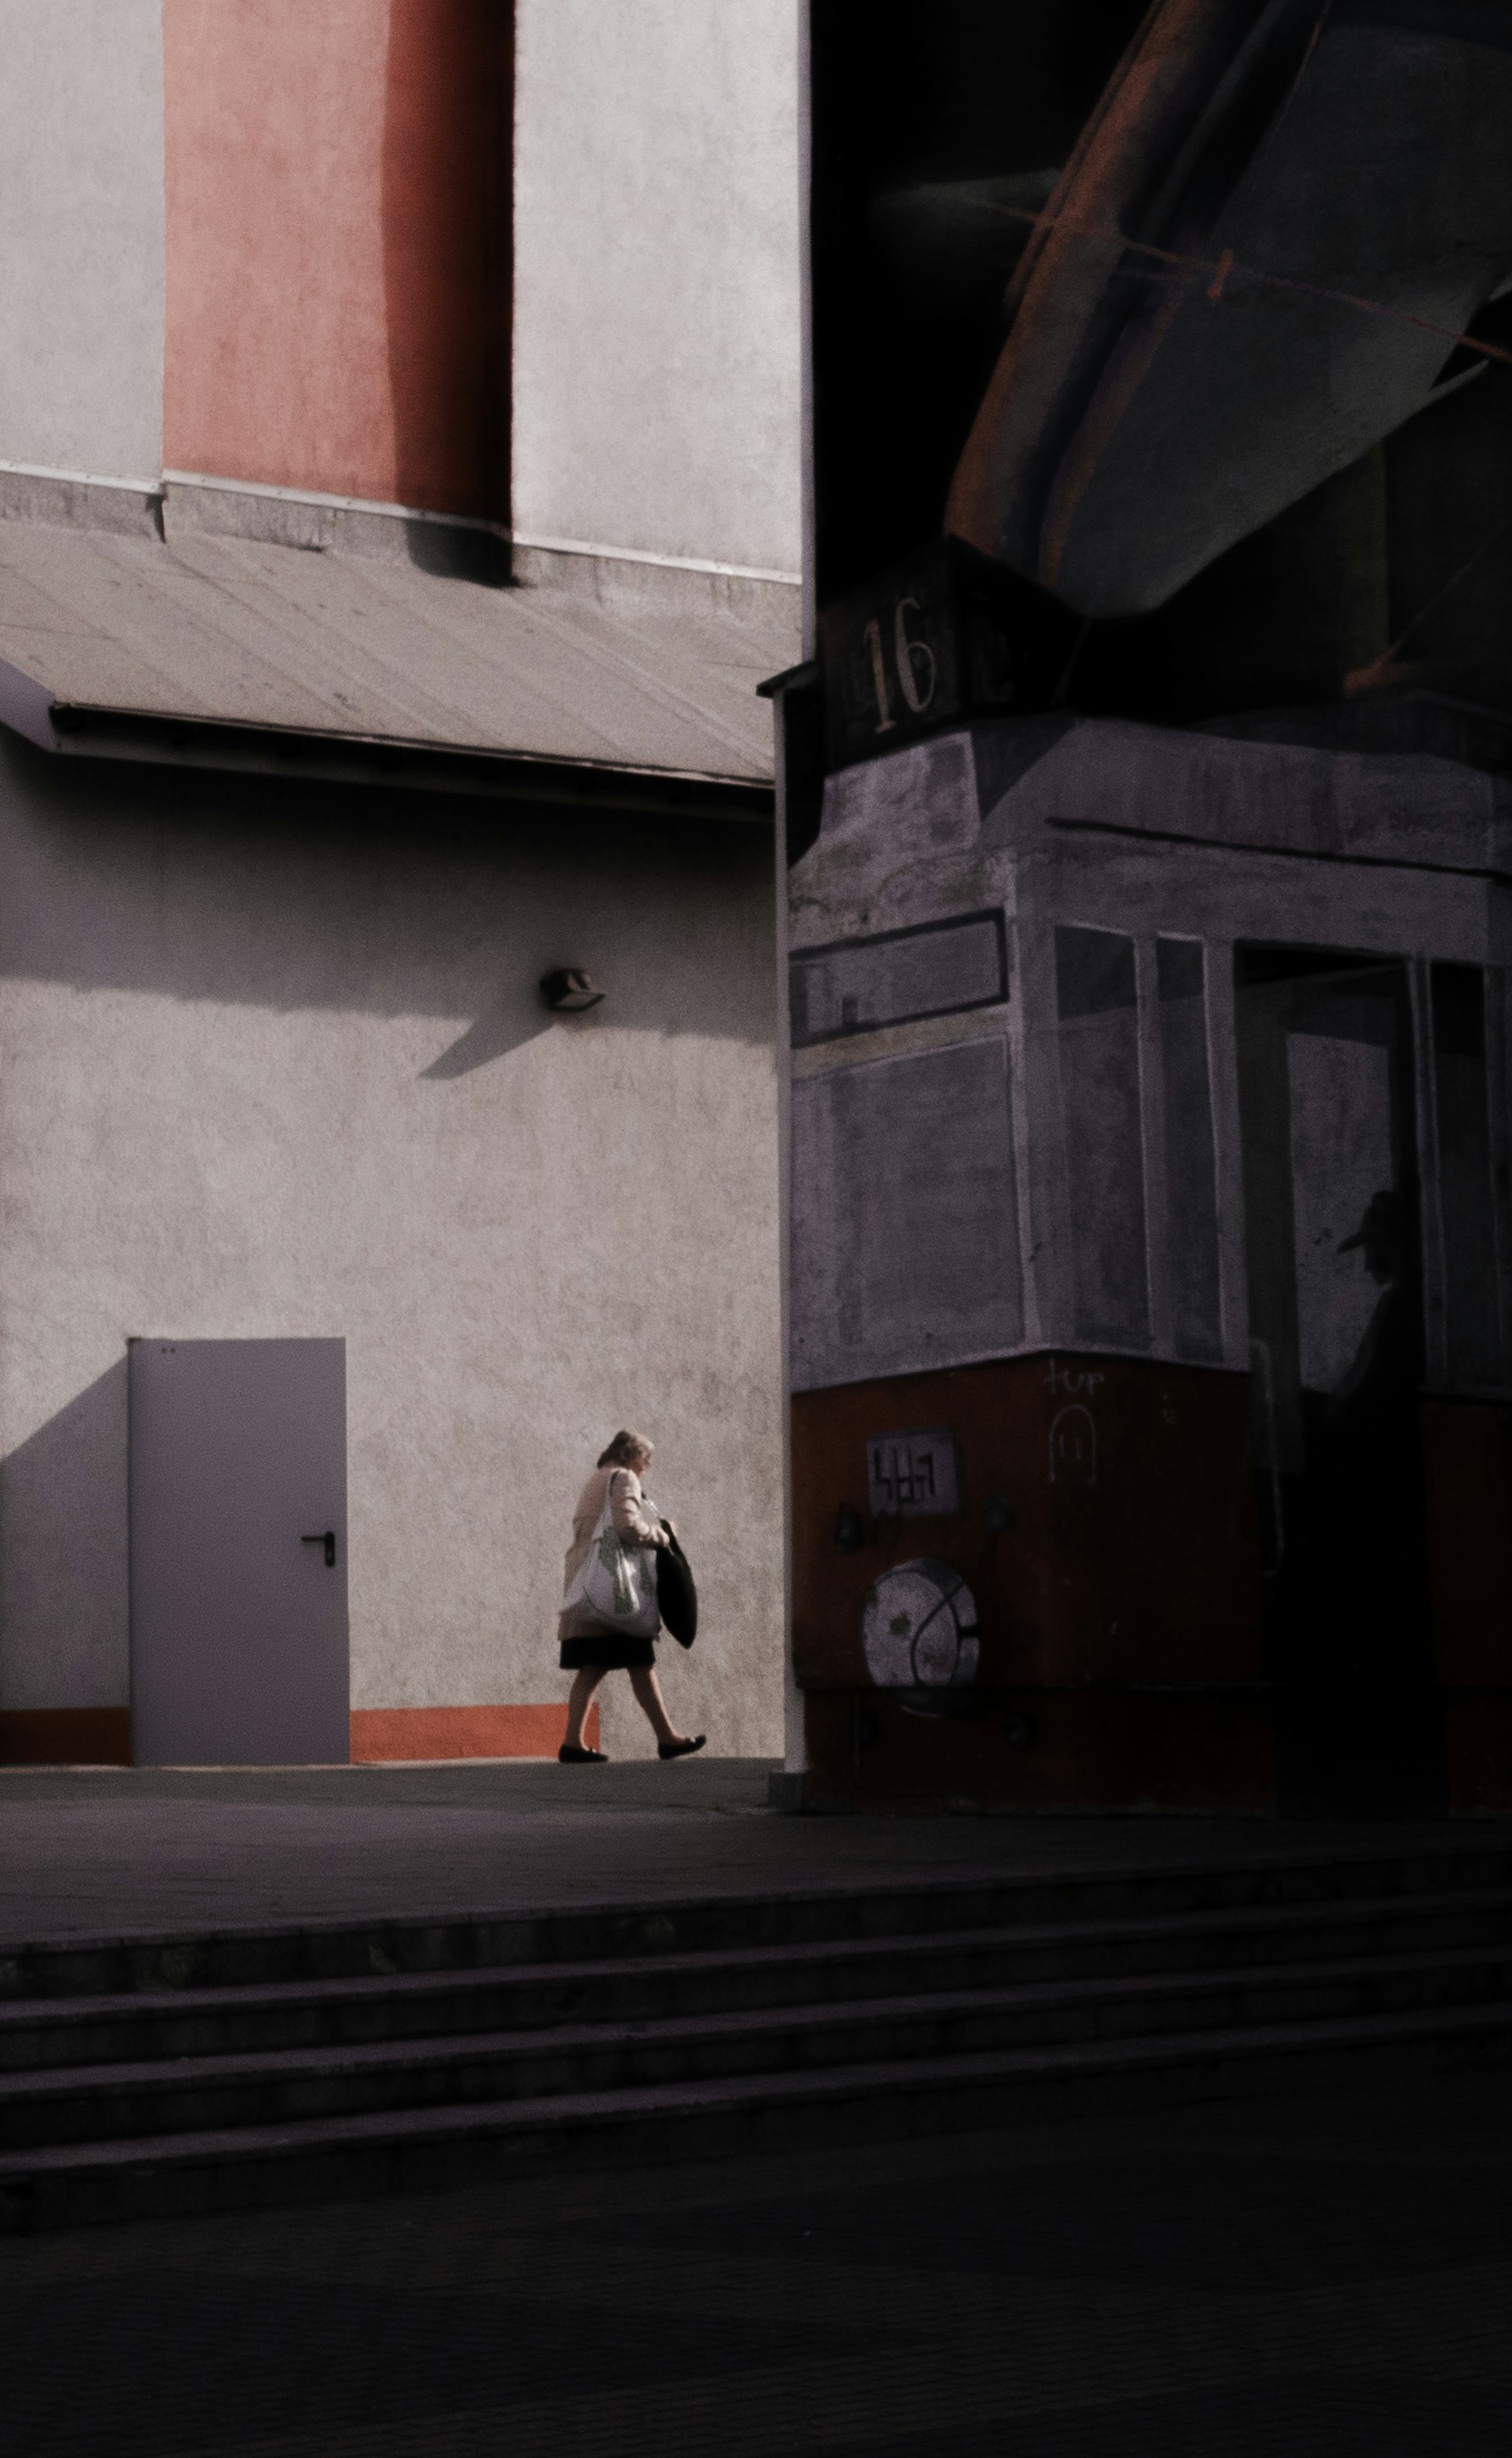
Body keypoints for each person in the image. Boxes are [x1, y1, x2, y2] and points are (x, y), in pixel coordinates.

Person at [557, 1429, 706, 1764]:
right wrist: (664, 1537)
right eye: (645, 1458)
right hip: (617, 1590)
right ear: (629, 1455)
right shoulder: (623, 1477)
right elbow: (627, 1527)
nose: (647, 1466)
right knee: (631, 1662)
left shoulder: (597, 1479)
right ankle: (664, 1739)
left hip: (589, 1584)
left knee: (604, 1665)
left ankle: (575, 1743)